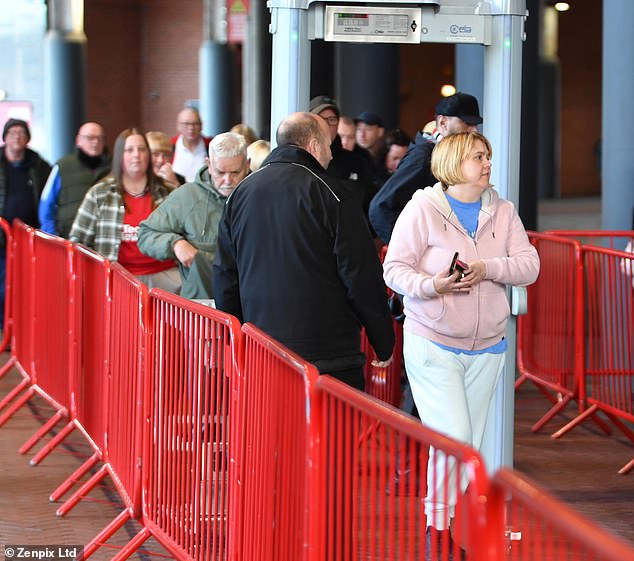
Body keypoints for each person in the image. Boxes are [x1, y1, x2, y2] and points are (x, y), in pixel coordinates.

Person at [382, 131, 539, 554]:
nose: (488, 163)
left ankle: (446, 525)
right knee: (454, 438)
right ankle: (438, 529)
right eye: (478, 157)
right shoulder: (422, 209)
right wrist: (433, 284)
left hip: (488, 346)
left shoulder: (504, 211)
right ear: (453, 163)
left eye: (487, 156)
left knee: (463, 444)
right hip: (432, 341)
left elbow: (529, 265)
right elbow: (393, 270)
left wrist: (487, 268)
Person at [212, 112, 394, 390]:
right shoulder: (333, 194)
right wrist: (383, 340)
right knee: (333, 434)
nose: (332, 156)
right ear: (313, 146)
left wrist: (235, 339)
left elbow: (226, 275)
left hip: (262, 351)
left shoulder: (240, 194)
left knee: (273, 434)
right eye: (328, 146)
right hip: (330, 358)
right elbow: (360, 275)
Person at [137, 132, 250, 300]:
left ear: (247, 165)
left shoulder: (260, 195)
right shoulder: (187, 197)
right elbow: (146, 234)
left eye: (235, 172)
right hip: (201, 307)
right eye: (220, 172)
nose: (227, 180)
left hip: (249, 305)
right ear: (209, 165)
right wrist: (175, 244)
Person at [69, 127, 180, 292]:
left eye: (142, 149)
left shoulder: (169, 192)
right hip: (117, 278)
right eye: (129, 150)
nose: (137, 155)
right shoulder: (99, 193)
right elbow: (77, 241)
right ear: (120, 155)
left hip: (166, 276)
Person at [369, 92, 483, 245]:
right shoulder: (423, 158)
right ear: (442, 123)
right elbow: (380, 207)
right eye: (467, 123)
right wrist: (409, 249)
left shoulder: (444, 156)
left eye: (476, 124)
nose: (474, 130)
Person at [0, 118, 51, 330]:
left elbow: (48, 198)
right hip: (2, 237)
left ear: (28, 138)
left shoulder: (40, 166)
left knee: (27, 285)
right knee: (3, 284)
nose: (17, 137)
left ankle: (23, 328)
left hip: (30, 237)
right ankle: (4, 328)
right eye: (12, 133)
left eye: (21, 133)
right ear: (5, 138)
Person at [309, 96, 377, 238]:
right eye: (321, 118)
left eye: (332, 120)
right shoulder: (302, 160)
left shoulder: (357, 161)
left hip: (348, 238)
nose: (326, 125)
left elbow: (371, 203)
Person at [39, 121, 111, 238]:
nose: (96, 142)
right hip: (67, 239)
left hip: (104, 239)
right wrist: (52, 237)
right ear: (78, 140)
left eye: (100, 138)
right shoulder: (63, 166)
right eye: (90, 138)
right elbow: (46, 206)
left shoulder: (113, 167)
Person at [171, 106, 211, 182]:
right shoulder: (170, 146)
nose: (191, 128)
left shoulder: (211, 145)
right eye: (186, 124)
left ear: (201, 125)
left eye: (195, 124)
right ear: (178, 126)